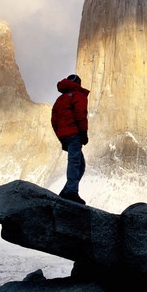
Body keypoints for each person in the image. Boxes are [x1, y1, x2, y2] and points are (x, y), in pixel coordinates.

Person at [51, 74, 90, 204]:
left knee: (80, 164)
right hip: (74, 134)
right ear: (78, 83)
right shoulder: (79, 95)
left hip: (65, 136)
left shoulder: (59, 100)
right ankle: (72, 192)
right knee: (75, 162)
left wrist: (61, 136)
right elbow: (81, 115)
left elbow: (54, 121)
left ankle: (66, 191)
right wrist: (83, 134)